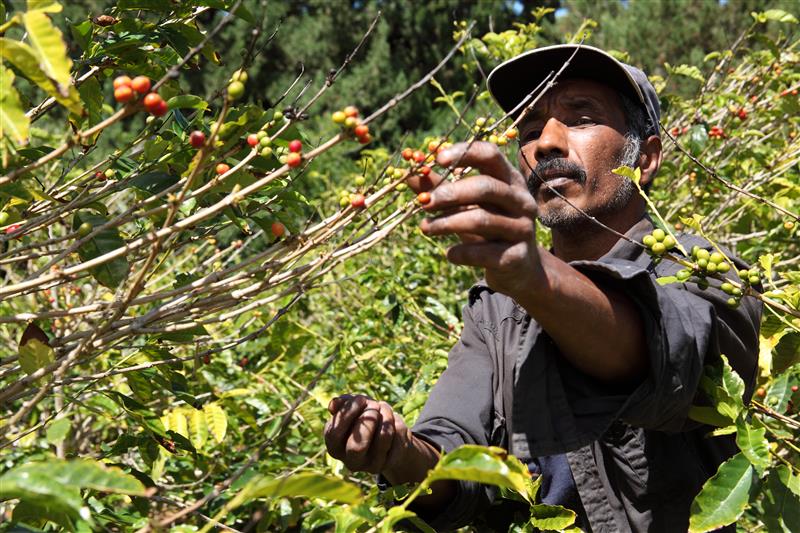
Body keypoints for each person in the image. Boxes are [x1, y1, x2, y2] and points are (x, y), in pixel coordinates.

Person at [323, 44, 761, 532]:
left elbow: (661, 352)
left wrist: (536, 276)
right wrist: (396, 450)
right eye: (529, 130)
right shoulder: (496, 312)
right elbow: (454, 453)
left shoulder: (703, 272)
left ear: (647, 158)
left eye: (581, 118)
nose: (546, 143)